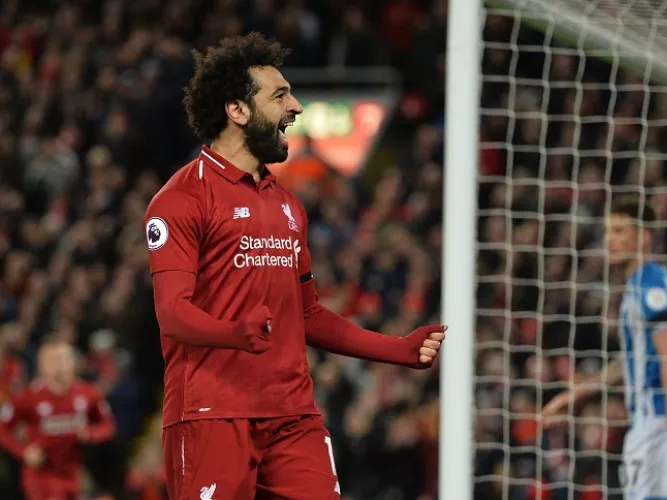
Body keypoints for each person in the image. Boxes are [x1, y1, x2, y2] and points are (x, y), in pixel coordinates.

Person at [144, 32, 446, 500]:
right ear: (237, 110)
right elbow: (172, 312)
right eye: (280, 95)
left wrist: (397, 350)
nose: (297, 107)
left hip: (293, 415)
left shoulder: (288, 206)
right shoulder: (182, 200)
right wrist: (234, 333)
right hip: (213, 414)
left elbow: (308, 315)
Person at [542, 194, 667, 499]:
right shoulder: (638, 286)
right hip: (656, 422)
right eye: (607, 231)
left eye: (619, 231)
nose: (610, 239)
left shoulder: (650, 287)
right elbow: (635, 360)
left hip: (663, 421)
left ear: (644, 236)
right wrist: (579, 392)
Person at [0, 335, 116, 500]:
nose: (58, 366)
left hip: (74, 473)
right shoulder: (27, 397)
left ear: (72, 362)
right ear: (42, 366)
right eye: (52, 361)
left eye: (62, 359)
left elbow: (108, 426)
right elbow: (3, 428)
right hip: (42, 476)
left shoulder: (89, 394)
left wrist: (90, 434)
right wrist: (24, 452)